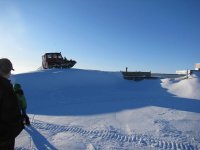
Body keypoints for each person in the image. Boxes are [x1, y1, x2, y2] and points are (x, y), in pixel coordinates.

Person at [0, 58, 24, 150]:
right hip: (4, 138)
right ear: (9, 71)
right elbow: (11, 114)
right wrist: (20, 124)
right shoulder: (5, 88)